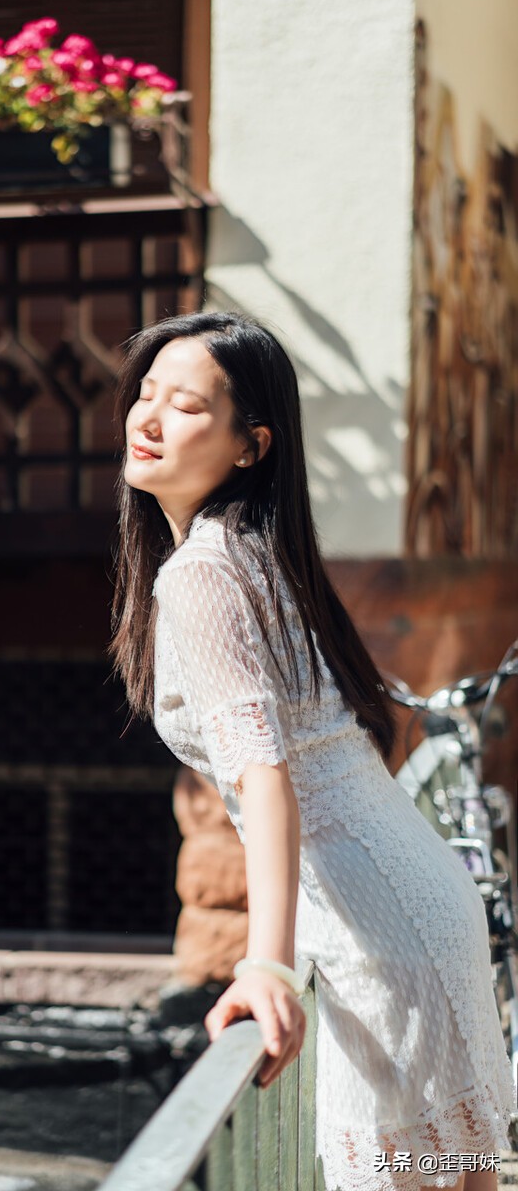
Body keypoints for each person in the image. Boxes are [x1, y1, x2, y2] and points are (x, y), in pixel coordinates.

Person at [107, 310, 515, 1191]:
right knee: (460, 1174)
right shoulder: (256, 553)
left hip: (376, 926)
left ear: (250, 447)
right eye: (145, 394)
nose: (149, 419)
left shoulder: (204, 573)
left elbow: (267, 777)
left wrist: (264, 965)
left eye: (186, 406)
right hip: (416, 897)